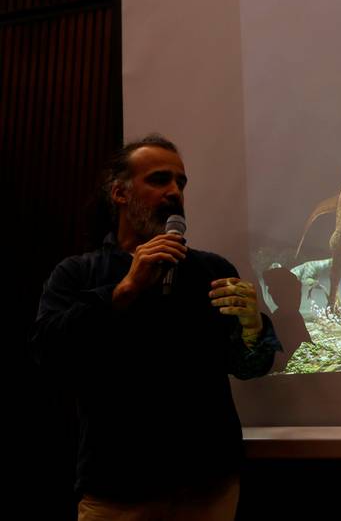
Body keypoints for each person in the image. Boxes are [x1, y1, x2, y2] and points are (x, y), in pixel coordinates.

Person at [31, 134, 281, 520]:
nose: (174, 192)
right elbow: (49, 355)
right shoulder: (78, 273)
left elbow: (249, 367)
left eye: (180, 182)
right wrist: (125, 290)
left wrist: (254, 327)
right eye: (159, 180)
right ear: (119, 192)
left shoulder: (212, 271)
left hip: (209, 488)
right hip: (118, 490)